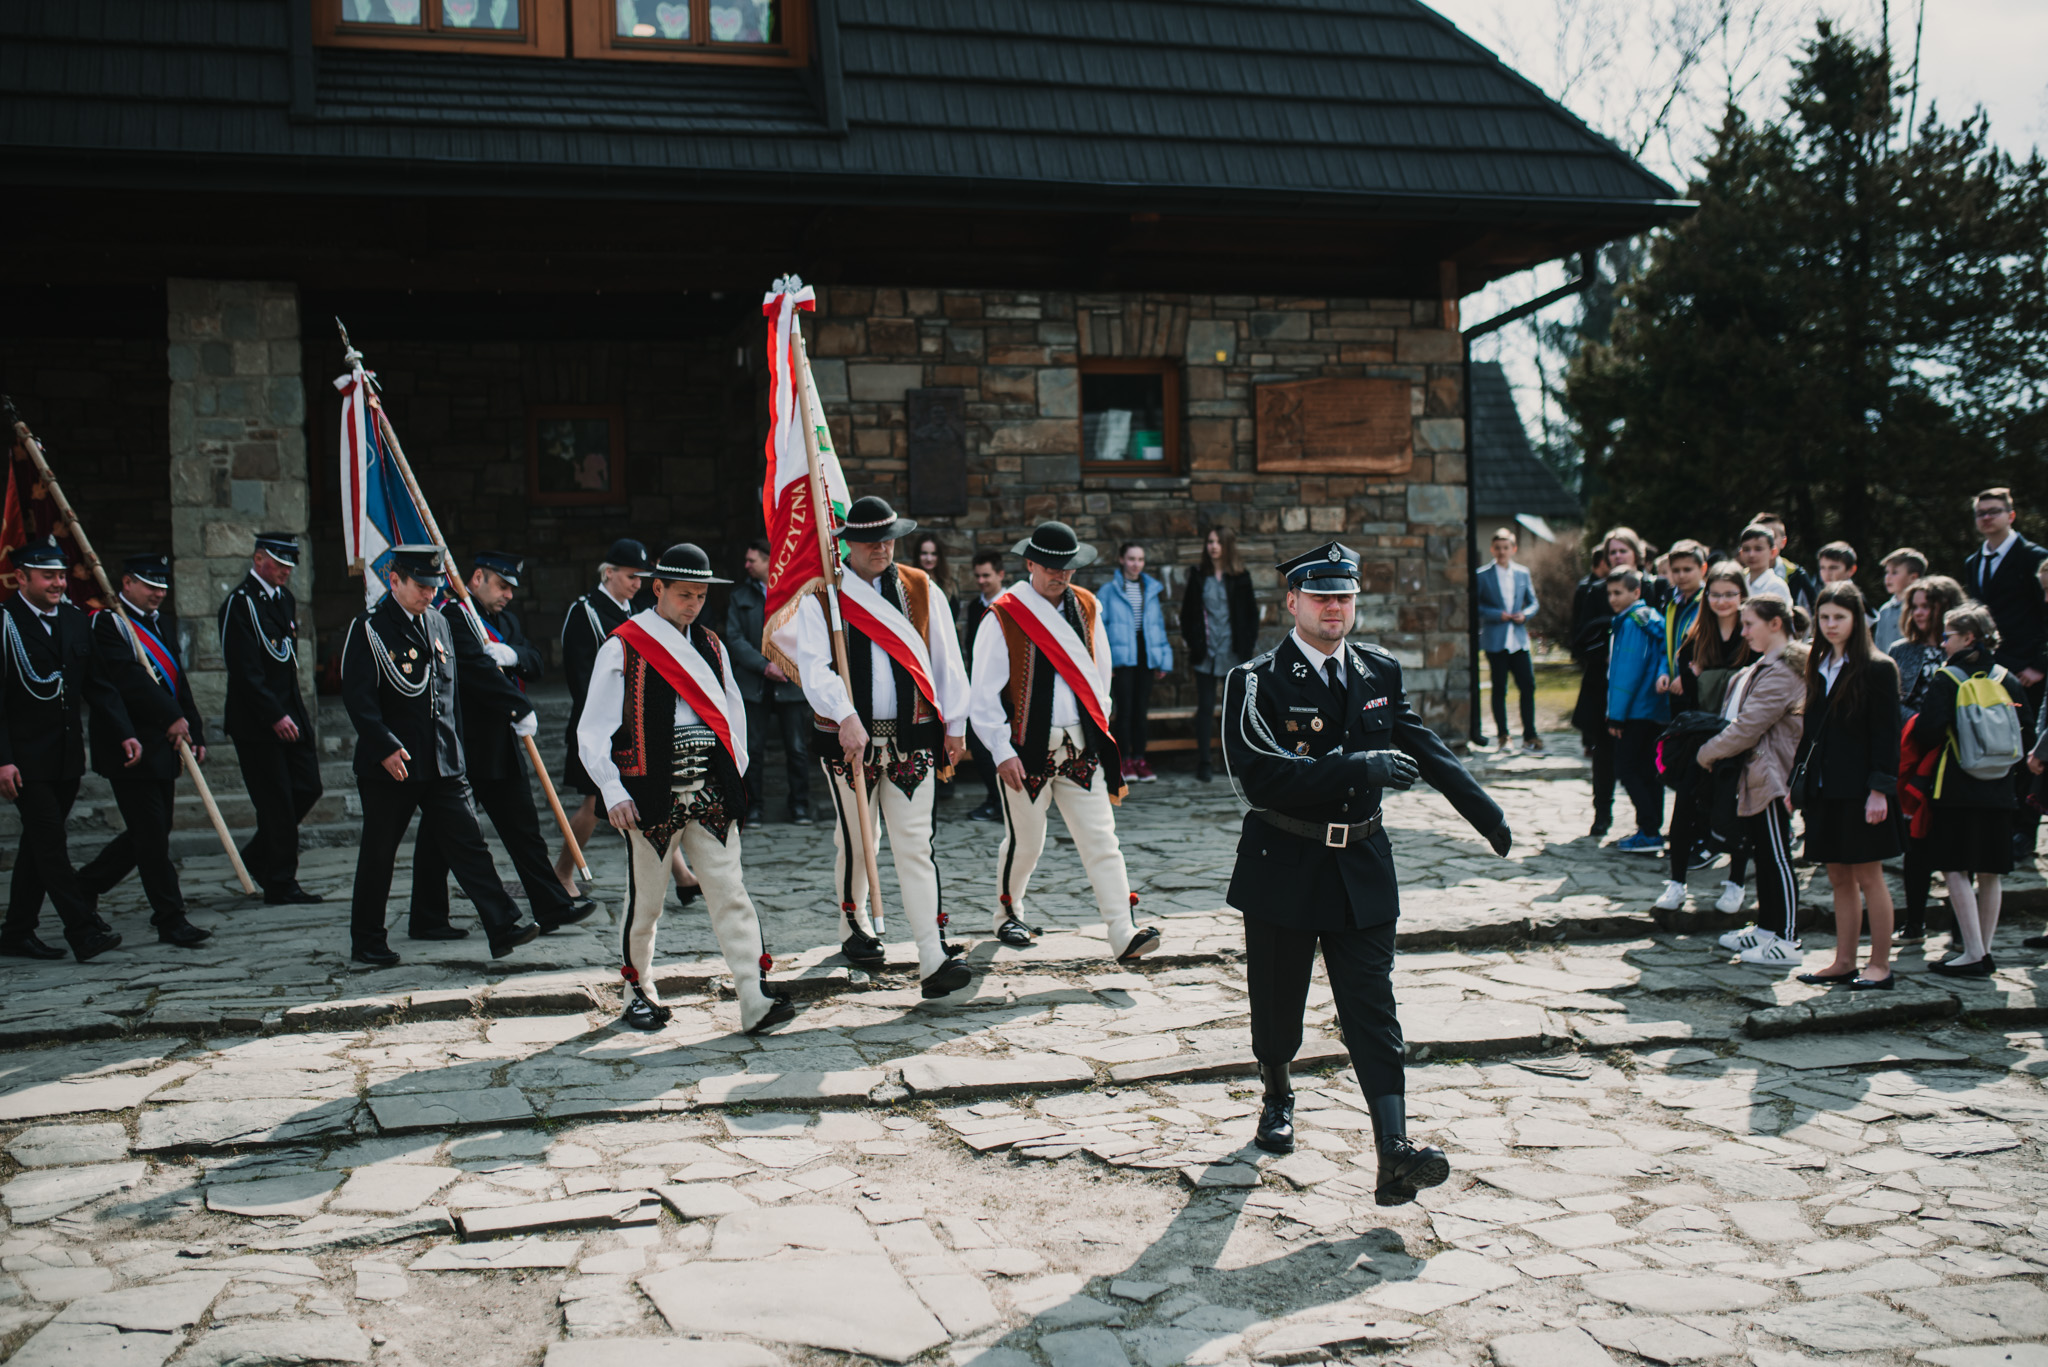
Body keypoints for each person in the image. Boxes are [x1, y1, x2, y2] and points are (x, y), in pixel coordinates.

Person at [1223, 540, 1510, 1207]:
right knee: (1278, 1002)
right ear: (1292, 601)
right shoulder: (1257, 681)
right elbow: (1261, 775)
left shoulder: (1378, 670)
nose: (1335, 607)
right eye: (1321, 596)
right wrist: (1358, 766)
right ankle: (1277, 1094)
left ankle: (1394, 1151)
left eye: (1345, 596)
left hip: (1361, 864)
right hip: (1285, 863)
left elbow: (1422, 744)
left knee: (1373, 1010)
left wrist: (1485, 812)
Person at [577, 542, 794, 1034]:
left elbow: (732, 713)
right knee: (646, 903)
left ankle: (754, 996)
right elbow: (593, 729)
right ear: (658, 588)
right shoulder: (624, 645)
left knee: (730, 892)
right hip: (651, 793)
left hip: (710, 790)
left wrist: (734, 773)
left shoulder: (712, 645)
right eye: (684, 595)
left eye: (700, 596)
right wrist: (612, 790)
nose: (693, 605)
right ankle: (637, 992)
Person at [794, 496, 973, 996]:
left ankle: (932, 954)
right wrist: (845, 715)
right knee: (857, 838)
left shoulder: (921, 588)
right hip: (850, 740)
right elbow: (814, 668)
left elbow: (946, 658)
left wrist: (956, 722)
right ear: (848, 543)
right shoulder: (823, 596)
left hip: (912, 737)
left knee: (916, 844)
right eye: (871, 541)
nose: (882, 548)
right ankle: (854, 925)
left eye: (889, 539)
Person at [968, 520, 1160, 961]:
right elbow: (983, 695)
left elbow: (1101, 676)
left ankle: (1123, 930)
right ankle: (1007, 914)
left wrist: (1096, 729)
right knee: (1026, 842)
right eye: (1052, 566)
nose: (1061, 574)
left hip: (1079, 749)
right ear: (1031, 564)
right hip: (1025, 752)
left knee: (1101, 839)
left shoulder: (1087, 606)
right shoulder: (1004, 614)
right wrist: (1001, 752)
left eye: (1067, 567)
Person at [340, 547, 538, 968]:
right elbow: (359, 699)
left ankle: (502, 925)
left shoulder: (438, 622)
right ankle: (368, 940)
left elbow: (448, 697)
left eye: (434, 586)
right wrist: (383, 746)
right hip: (393, 764)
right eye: (420, 586)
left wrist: (457, 751)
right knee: (379, 853)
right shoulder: (370, 628)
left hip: (442, 761)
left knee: (470, 843)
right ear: (395, 581)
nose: (429, 594)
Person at [408, 552, 597, 941]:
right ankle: (427, 917)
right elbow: (475, 671)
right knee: (442, 834)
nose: (509, 595)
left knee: (523, 827)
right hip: (465, 743)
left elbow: (535, 661)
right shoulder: (453, 617)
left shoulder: (505, 622)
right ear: (477, 578)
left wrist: (512, 655)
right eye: (502, 586)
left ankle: (551, 904)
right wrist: (518, 705)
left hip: (502, 743)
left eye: (512, 588)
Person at [0, 540, 134, 962]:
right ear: (21, 578)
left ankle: (16, 931)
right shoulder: (5, 622)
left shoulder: (75, 620)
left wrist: (124, 732)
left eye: (61, 575)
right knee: (51, 842)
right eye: (48, 577)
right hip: (25, 760)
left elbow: (98, 685)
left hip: (66, 757)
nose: (59, 583)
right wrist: (3, 759)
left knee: (38, 845)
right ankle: (83, 929)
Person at [557, 539, 701, 905]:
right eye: (630, 576)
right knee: (595, 802)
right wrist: (607, 722)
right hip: (601, 725)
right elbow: (581, 676)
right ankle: (562, 871)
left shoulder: (635, 612)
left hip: (637, 726)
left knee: (649, 795)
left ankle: (683, 876)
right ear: (609, 573)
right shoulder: (585, 611)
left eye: (641, 577)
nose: (637, 583)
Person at [77, 553, 211, 948]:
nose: (158, 593)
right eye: (150, 585)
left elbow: (176, 680)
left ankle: (85, 884)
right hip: (129, 743)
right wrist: (171, 717)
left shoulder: (161, 623)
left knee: (152, 831)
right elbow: (127, 679)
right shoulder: (109, 622)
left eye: (162, 586)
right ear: (127, 583)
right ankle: (170, 918)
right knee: (151, 835)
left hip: (165, 744)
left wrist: (194, 728)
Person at [1790, 582, 1901, 988]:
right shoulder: (1817, 665)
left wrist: (1879, 790)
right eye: (1824, 617)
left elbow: (1886, 736)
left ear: (1857, 620)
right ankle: (1844, 961)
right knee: (1838, 876)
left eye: (1840, 617)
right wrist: (1795, 783)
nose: (1831, 624)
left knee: (1869, 876)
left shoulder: (1878, 668)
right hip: (1824, 790)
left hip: (1862, 791)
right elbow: (1809, 731)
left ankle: (1880, 965)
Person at [1916, 603, 2028, 977]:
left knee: (1954, 867)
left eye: (1947, 635)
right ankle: (1986, 950)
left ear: (1968, 638)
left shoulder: (1948, 678)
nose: (1943, 642)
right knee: (1990, 871)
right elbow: (2025, 729)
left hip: (1956, 786)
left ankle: (1973, 953)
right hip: (2001, 788)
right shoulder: (2007, 679)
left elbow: (1928, 732)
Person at [1700, 596, 1810, 966]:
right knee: (1764, 854)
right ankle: (1767, 930)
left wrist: (1707, 752)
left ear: (1775, 624)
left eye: (1749, 624)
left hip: (1772, 776)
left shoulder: (1782, 671)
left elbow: (1748, 727)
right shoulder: (1771, 665)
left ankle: (1788, 940)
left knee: (1777, 856)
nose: (1743, 632)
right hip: (1760, 774)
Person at [219, 531, 323, 904]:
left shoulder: (284, 599)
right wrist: (274, 714)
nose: (285, 571)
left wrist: (292, 713)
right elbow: (245, 671)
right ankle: (280, 882)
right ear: (259, 559)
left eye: (290, 565)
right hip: (258, 720)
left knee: (308, 787)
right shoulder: (241, 603)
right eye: (279, 563)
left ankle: (257, 855)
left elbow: (285, 663)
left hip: (289, 710)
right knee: (276, 800)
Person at [1654, 562, 1753, 916]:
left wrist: (1704, 676)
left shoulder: (1750, 636)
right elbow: (1687, 693)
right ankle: (1676, 883)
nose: (1722, 601)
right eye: (1715, 594)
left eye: (1730, 594)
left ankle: (1736, 883)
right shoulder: (1695, 637)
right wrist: (1713, 677)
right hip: (1701, 735)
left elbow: (1753, 685)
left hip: (1741, 735)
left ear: (1742, 596)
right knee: (1684, 809)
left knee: (1736, 810)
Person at [1962, 488, 2048, 863]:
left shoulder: (2034, 557)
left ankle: (2024, 829)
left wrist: (2040, 665)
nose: (1986, 518)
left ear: (2011, 515)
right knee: (1996, 745)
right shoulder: (1973, 562)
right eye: (1981, 512)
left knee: (2029, 748)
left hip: (2029, 671)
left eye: (1994, 511)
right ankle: (1998, 823)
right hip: (1991, 672)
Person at [1890, 573, 1967, 942]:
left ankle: (1961, 928)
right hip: (1914, 752)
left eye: (1927, 606)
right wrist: (1921, 723)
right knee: (1916, 841)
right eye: (1915, 606)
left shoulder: (1965, 652)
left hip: (1956, 754)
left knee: (1956, 842)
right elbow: (1891, 701)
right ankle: (1915, 921)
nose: (1919, 613)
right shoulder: (1901, 650)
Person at [726, 538, 812, 827]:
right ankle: (753, 809)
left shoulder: (797, 594)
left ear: (769, 561)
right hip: (754, 684)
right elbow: (734, 639)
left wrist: (786, 664)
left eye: (752, 560)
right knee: (753, 749)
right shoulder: (740, 596)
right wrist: (764, 666)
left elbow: (810, 633)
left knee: (797, 749)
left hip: (790, 682)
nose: (747, 565)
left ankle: (800, 806)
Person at [1181, 526, 1258, 783]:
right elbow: (1187, 614)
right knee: (1205, 708)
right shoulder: (1198, 576)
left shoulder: (1241, 577)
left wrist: (1246, 647)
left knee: (1232, 710)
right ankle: (1204, 762)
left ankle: (1233, 761)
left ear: (1227, 546)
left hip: (1232, 652)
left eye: (1218, 542)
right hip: (1206, 652)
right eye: (1210, 541)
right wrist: (1194, 643)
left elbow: (1251, 616)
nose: (1213, 546)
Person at [1605, 568, 1670, 854]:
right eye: (1609, 593)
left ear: (1636, 592)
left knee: (1626, 768)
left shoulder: (1632, 623)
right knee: (1647, 769)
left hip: (1635, 710)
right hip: (1653, 708)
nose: (1612, 598)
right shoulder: (1651, 618)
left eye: (1618, 592)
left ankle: (1648, 828)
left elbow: (1626, 674)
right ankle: (1651, 827)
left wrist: (1616, 715)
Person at [1100, 541, 1172, 783]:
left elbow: (1157, 626)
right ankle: (1125, 760)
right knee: (1125, 711)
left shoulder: (1150, 589)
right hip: (1122, 659)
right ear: (1121, 560)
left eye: (1140, 559)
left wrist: (1162, 660)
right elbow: (1099, 629)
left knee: (1141, 710)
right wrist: (1106, 663)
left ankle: (1140, 759)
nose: (1136, 564)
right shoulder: (1108, 591)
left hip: (1145, 656)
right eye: (1131, 559)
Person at [1476, 527, 1540, 751]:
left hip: (1519, 640)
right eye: (1498, 548)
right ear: (1492, 549)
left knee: (1528, 686)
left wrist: (1526, 615)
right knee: (1499, 689)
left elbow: (1533, 602)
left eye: (1506, 547)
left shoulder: (1522, 573)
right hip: (1495, 641)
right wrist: (1497, 615)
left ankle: (1530, 735)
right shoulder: (1482, 575)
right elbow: (1476, 606)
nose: (1502, 551)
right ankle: (1503, 735)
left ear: (1513, 549)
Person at [1569, 546, 1617, 836]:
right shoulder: (1595, 592)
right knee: (1603, 754)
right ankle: (1602, 811)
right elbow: (1580, 638)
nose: (1618, 556)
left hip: (1641, 687)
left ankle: (1648, 821)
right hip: (1602, 683)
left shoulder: (1652, 587)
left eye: (1624, 551)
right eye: (1613, 552)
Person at [960, 550, 1007, 821]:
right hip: (979, 687)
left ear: (1000, 574)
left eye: (986, 575)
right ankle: (995, 798)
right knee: (978, 745)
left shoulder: (1012, 606)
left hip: (1006, 689)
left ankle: (1005, 802)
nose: (981, 581)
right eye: (977, 576)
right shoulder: (974, 608)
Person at [1752, 512, 1817, 610]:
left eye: (1771, 537)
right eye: (1758, 538)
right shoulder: (1742, 577)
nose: (1764, 543)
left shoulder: (1796, 575)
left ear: (1783, 542)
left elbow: (1813, 612)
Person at [1873, 548, 1927, 652]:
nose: (1888, 577)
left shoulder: (1919, 610)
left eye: (1894, 572)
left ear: (1913, 578)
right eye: (1887, 572)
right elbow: (1878, 647)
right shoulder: (1884, 610)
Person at [1737, 524, 1792, 603]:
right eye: (1746, 549)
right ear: (1741, 553)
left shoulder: (1776, 586)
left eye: (1758, 549)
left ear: (1773, 552)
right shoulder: (1739, 584)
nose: (1751, 554)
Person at [912, 533, 956, 600]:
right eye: (924, 553)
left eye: (934, 554)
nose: (929, 559)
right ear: (917, 555)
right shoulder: (910, 583)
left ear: (939, 556)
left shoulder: (949, 584)